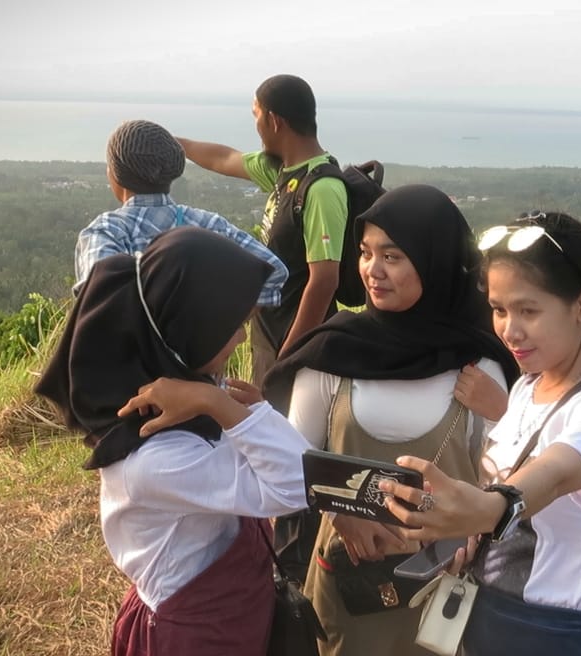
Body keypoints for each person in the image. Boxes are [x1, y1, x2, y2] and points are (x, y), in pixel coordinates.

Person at [262, 185, 518, 656]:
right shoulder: (333, 354)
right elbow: (286, 462)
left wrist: (503, 412)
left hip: (447, 586)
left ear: (435, 260)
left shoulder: (481, 368)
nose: (372, 271)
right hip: (348, 585)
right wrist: (340, 513)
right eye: (363, 253)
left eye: (393, 256)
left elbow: (513, 483)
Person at [379, 212, 581, 656]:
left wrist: (487, 508)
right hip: (489, 615)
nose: (509, 330)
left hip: (560, 634)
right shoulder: (527, 387)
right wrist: (463, 525)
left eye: (528, 310)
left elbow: (556, 473)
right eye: (499, 310)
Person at [35, 227, 313, 655]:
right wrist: (228, 409)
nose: (240, 338)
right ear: (186, 331)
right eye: (230, 327)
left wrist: (233, 408)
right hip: (194, 636)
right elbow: (299, 483)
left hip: (230, 612)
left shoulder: (183, 408)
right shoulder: (154, 456)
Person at [178, 74, 348, 386]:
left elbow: (324, 280)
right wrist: (178, 145)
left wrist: (289, 356)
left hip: (299, 344)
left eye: (256, 117)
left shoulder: (322, 187)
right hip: (270, 333)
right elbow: (224, 158)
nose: (256, 127)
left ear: (274, 120)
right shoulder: (281, 170)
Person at [73, 119, 287, 304]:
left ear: (115, 175)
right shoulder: (209, 224)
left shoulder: (107, 231)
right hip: (204, 350)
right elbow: (274, 271)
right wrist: (225, 331)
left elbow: (98, 298)